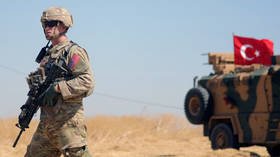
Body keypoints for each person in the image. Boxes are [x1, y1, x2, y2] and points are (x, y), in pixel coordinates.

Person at [24, 7, 94, 157]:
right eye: (44, 24)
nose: (46, 28)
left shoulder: (73, 52)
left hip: (68, 125)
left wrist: (57, 88)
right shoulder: (48, 55)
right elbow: (39, 87)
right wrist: (28, 106)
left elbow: (87, 81)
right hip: (47, 126)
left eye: (51, 23)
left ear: (63, 25)